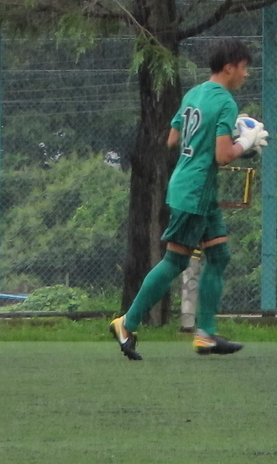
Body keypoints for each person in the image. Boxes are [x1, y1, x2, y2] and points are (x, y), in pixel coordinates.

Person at [111, 39, 268, 359]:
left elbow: (173, 138)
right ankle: (127, 322)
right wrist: (246, 142)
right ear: (230, 67)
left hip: (198, 191)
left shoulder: (194, 93)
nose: (246, 74)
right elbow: (224, 156)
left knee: (219, 256)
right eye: (244, 67)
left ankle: (205, 334)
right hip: (194, 192)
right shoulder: (225, 101)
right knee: (176, 261)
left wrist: (213, 131)